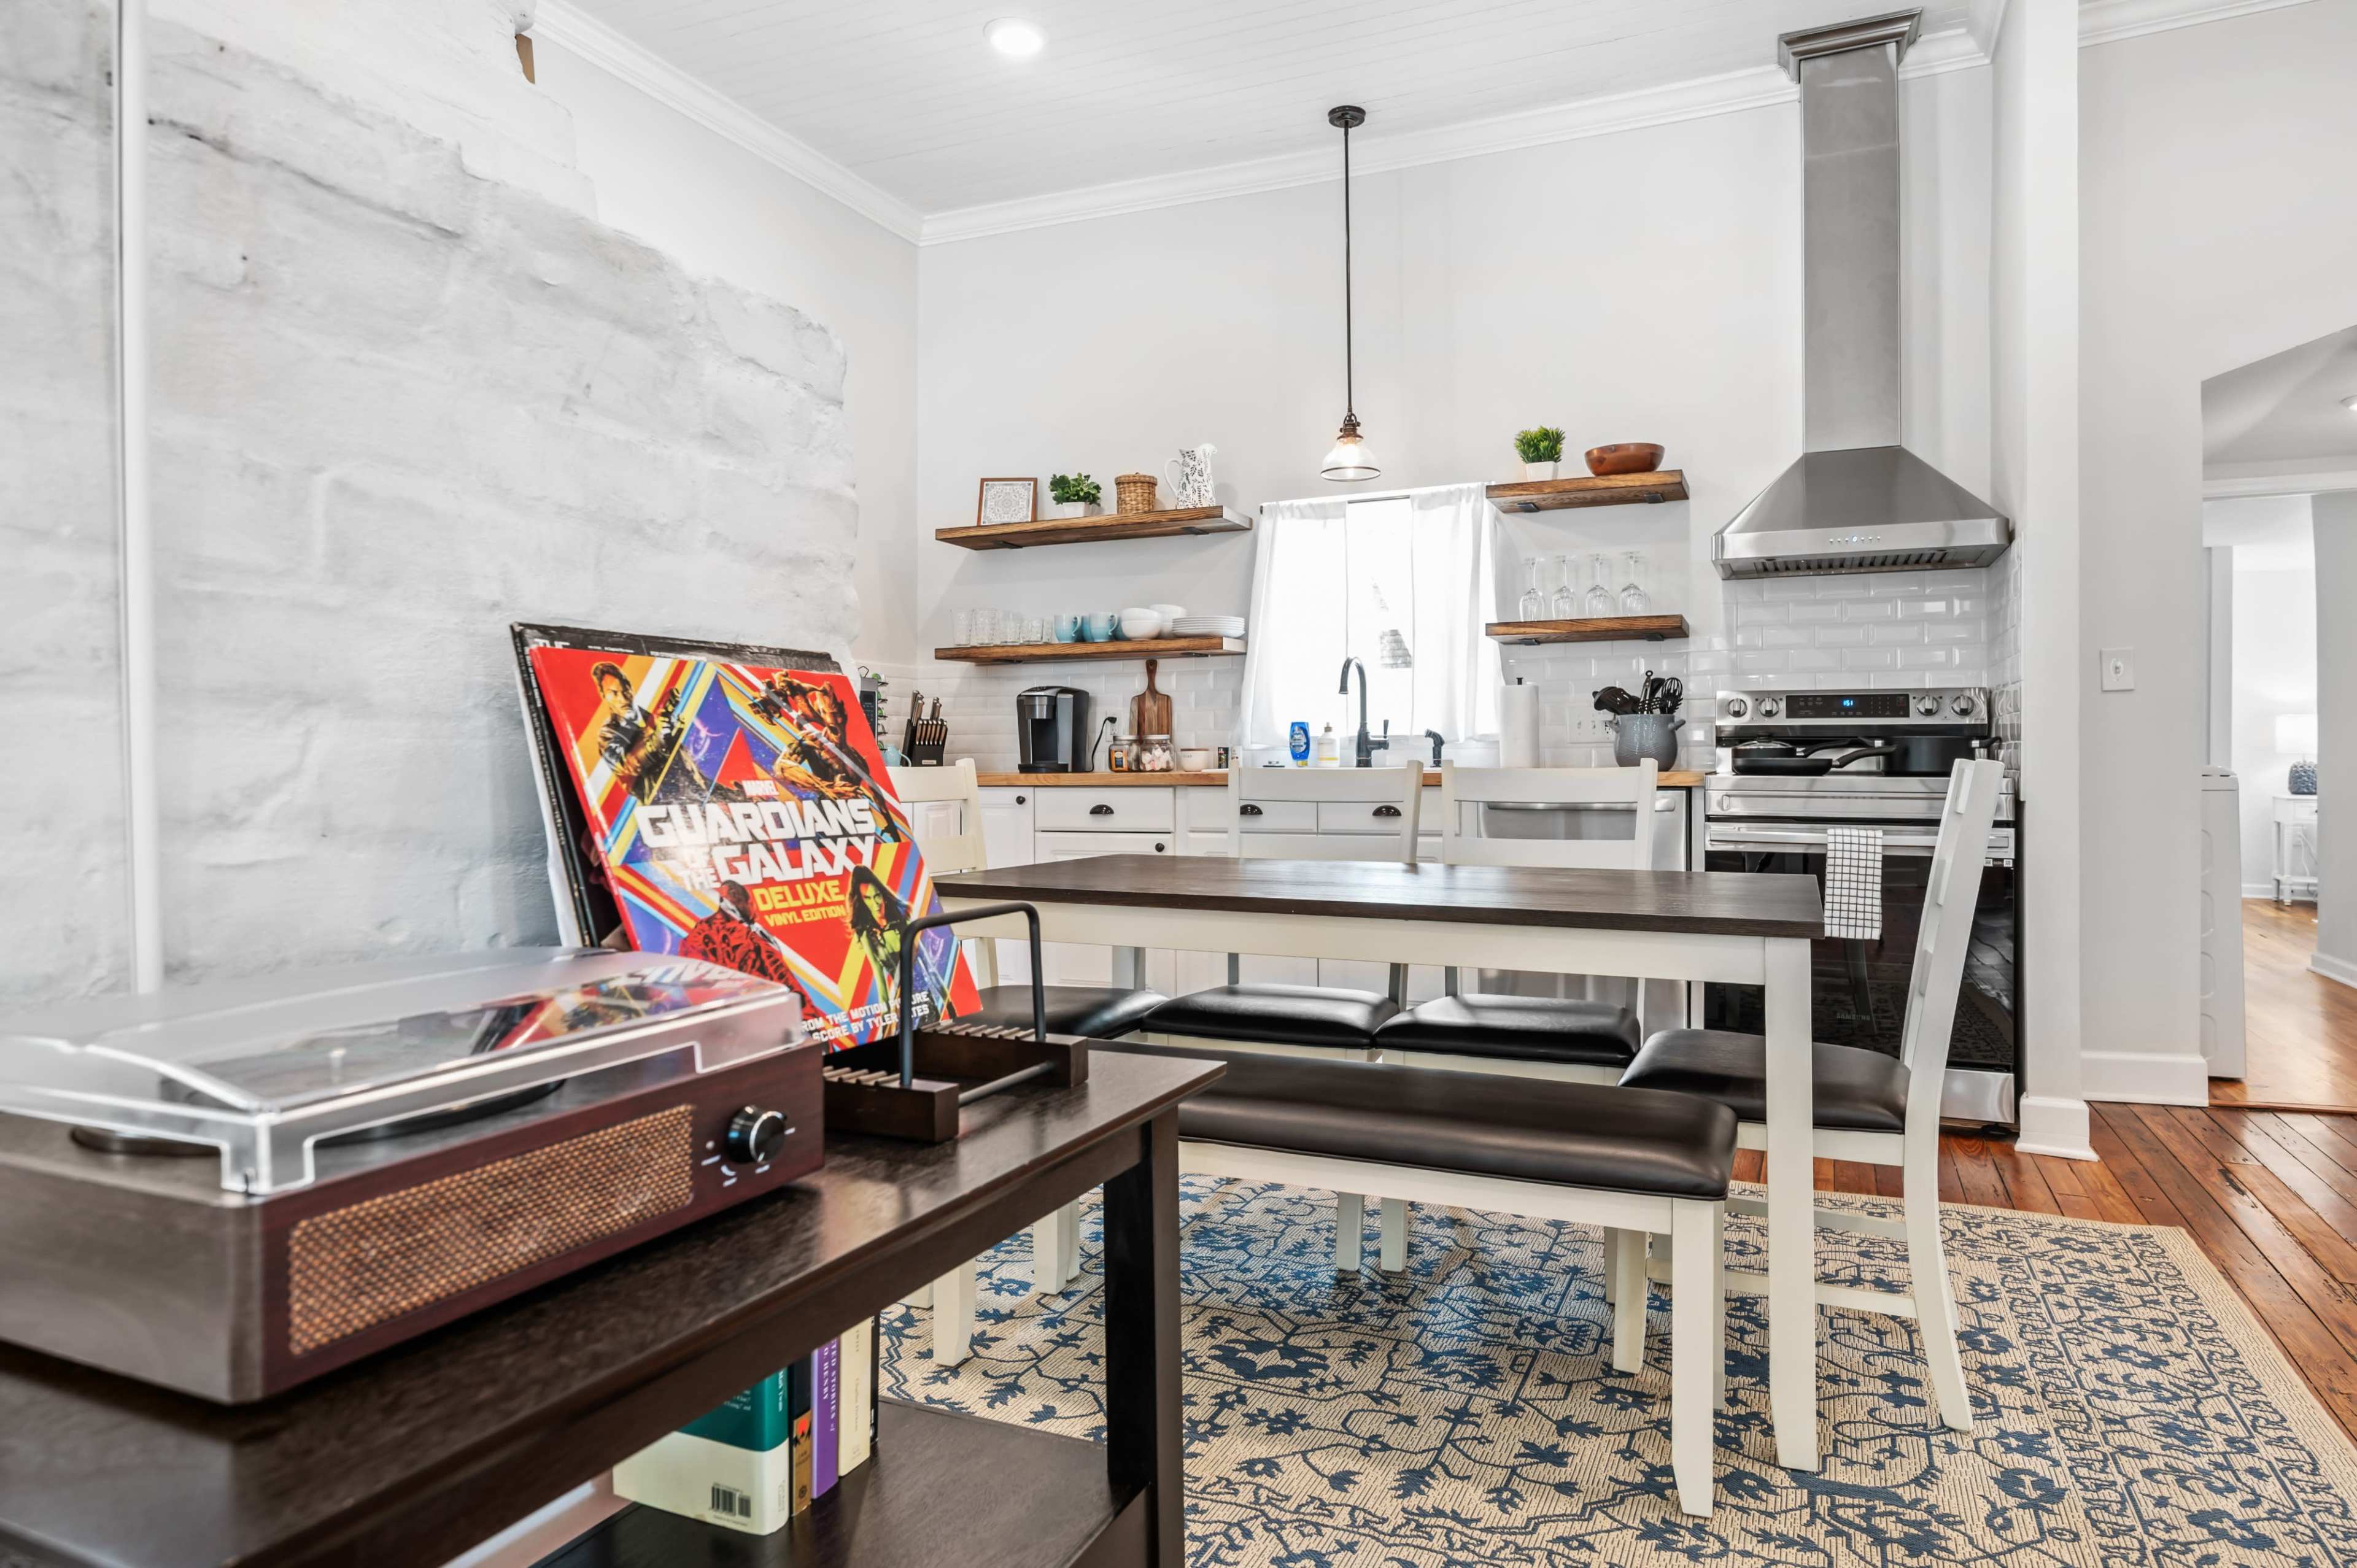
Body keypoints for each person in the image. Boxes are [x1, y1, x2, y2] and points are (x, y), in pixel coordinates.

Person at [589, 662, 706, 804]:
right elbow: (630, 765)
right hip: (666, 804)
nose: (623, 698)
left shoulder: (647, 717)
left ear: (631, 689)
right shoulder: (608, 734)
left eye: (625, 690)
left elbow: (685, 762)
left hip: (693, 792)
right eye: (613, 693)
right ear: (604, 696)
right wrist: (657, 737)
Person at [681, 879, 796, 988]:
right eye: (735, 897)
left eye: (738, 897)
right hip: (739, 995)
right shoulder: (707, 929)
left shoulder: (756, 932)